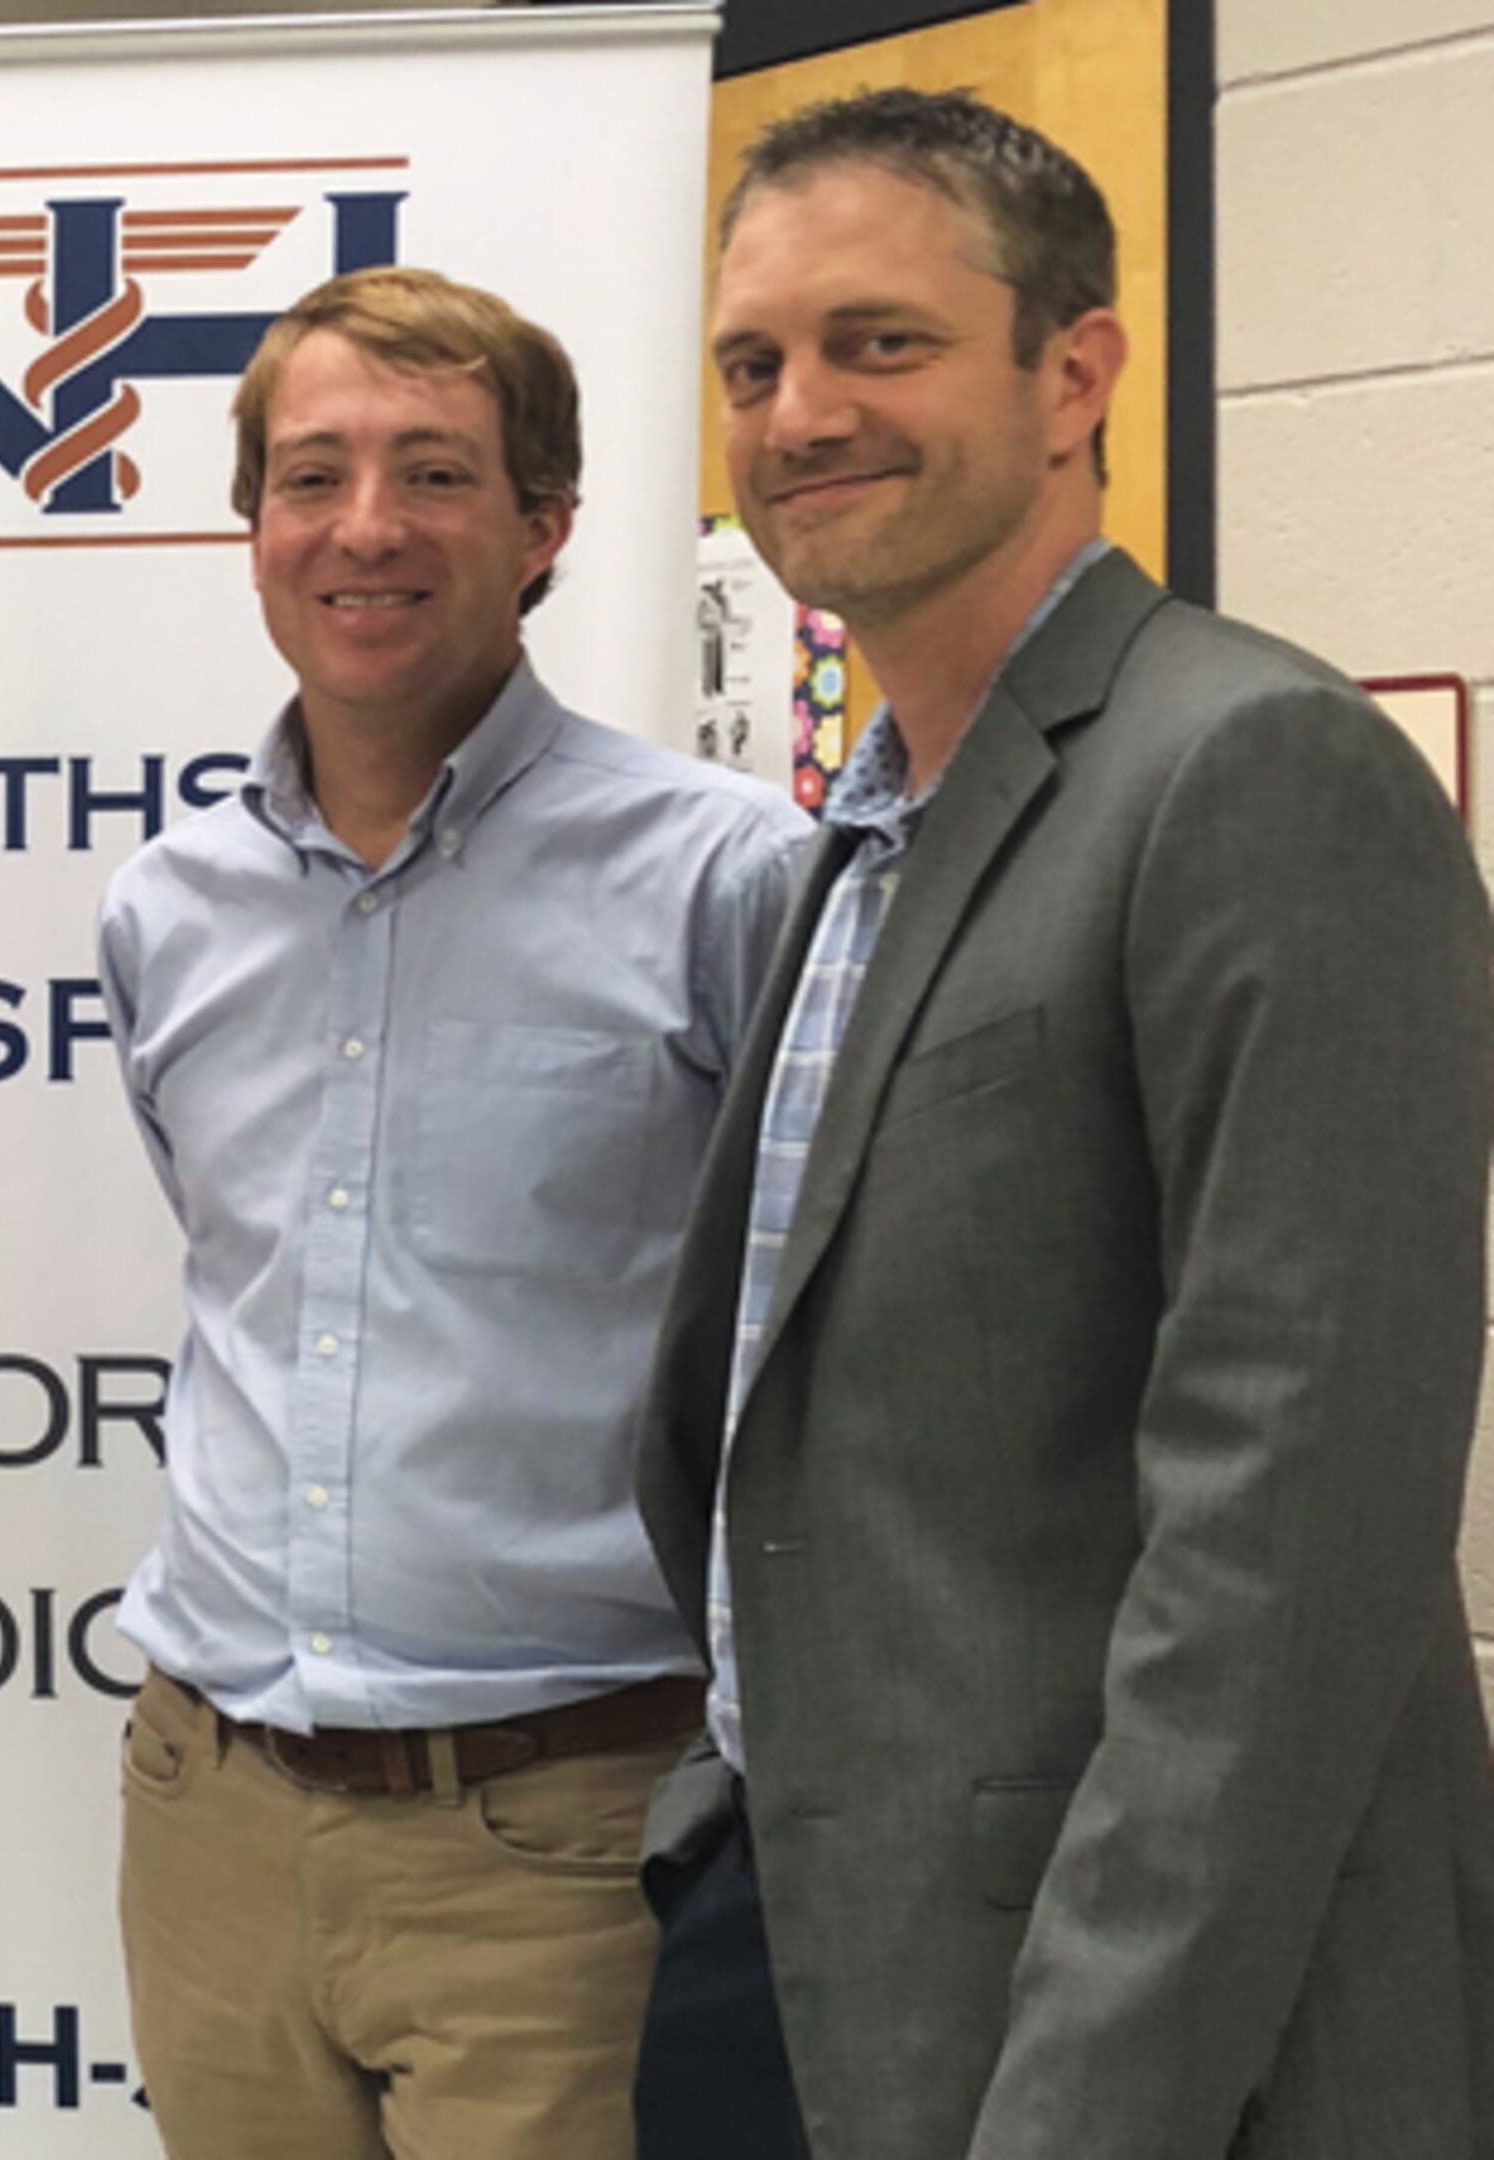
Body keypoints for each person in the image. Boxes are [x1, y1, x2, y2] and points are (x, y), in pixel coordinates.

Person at [634, 88, 1494, 2160]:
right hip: (801, 1937)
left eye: (882, 342)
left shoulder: (1253, 769)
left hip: (1098, 2025)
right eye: (755, 365)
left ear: (1076, 370)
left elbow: (1283, 1566)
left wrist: (1090, 2110)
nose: (802, 410)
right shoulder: (866, 836)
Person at [94, 267, 811, 2160]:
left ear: (545, 527)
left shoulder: (727, 884)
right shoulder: (169, 908)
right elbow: (238, 1266)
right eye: (311, 475)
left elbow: (806, 1336)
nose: (365, 528)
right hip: (212, 1812)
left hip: (562, 1841)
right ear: (252, 528)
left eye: (433, 473)